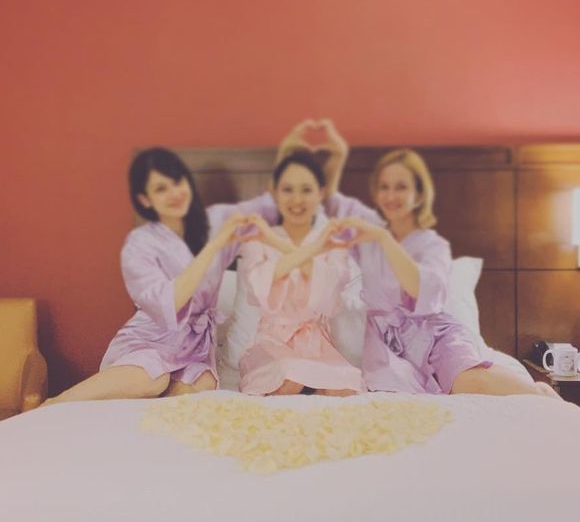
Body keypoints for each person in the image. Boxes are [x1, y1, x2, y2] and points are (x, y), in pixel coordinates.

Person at [280, 120, 558, 398]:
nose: (391, 195)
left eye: (401, 187)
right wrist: (337, 154)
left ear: (418, 194)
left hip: (435, 339)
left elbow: (420, 290)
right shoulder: (368, 231)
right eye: (385, 187)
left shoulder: (430, 246)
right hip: (390, 352)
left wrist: (384, 240)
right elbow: (323, 202)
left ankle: (541, 394)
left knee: (470, 384)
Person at [44, 148, 278, 405]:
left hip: (195, 346)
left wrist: (293, 154)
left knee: (202, 385)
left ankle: (146, 416)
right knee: (153, 378)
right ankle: (55, 403)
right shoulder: (140, 244)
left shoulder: (216, 221)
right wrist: (213, 247)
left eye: (177, 182)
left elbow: (274, 205)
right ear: (145, 200)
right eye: (161, 189)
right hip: (152, 337)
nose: (174, 193)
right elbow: (170, 303)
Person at [238, 152, 364, 396]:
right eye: (288, 189)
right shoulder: (257, 240)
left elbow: (330, 289)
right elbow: (259, 287)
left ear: (320, 193)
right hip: (271, 344)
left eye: (306, 190)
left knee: (349, 386)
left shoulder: (333, 242)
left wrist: (288, 244)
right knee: (287, 375)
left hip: (317, 344)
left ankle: (313, 398)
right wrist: (311, 248)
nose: (297, 199)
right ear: (274, 192)